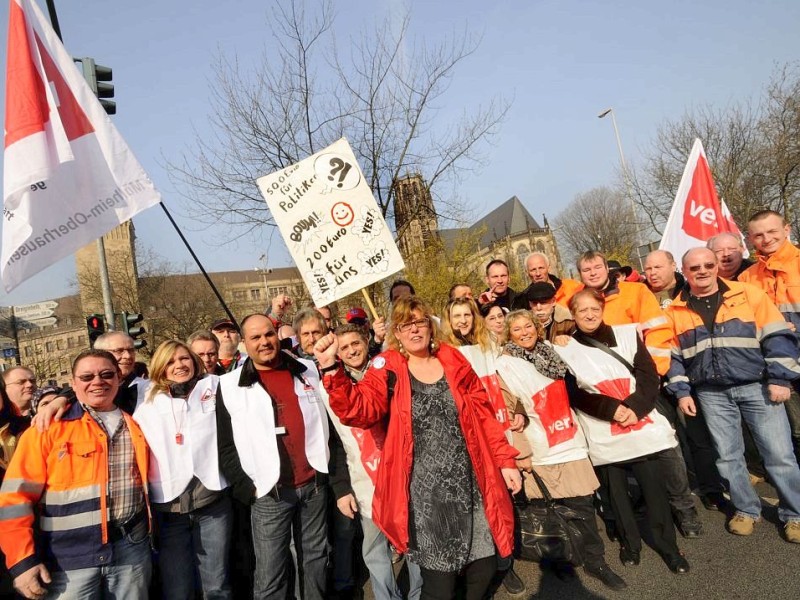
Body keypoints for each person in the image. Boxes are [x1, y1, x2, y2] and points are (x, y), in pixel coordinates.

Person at [315, 296, 521, 600]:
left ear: (430, 326)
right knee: (440, 581)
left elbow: (483, 414)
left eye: (419, 322)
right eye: (405, 324)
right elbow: (359, 411)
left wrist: (505, 461)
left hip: (472, 483)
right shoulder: (389, 368)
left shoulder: (452, 359)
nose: (414, 330)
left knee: (485, 565)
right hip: (426, 496)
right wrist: (331, 368)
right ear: (396, 333)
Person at [666, 248, 800, 543]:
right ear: (685, 272)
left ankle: (795, 514)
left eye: (708, 265)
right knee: (727, 457)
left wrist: (780, 378)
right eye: (694, 267)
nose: (702, 271)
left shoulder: (748, 294)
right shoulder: (675, 310)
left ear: (716, 267)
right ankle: (745, 509)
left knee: (779, 454)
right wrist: (681, 392)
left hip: (757, 386)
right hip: (711, 393)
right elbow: (672, 357)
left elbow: (778, 335)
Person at [555, 290, 690, 574]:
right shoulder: (564, 348)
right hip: (604, 429)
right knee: (617, 495)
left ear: (602, 309)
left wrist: (633, 407)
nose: (589, 315)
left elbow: (648, 376)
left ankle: (669, 547)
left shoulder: (628, 335)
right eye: (582, 311)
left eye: (594, 309)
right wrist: (611, 410)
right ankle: (631, 544)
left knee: (654, 491)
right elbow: (574, 393)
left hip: (638, 424)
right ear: (574, 315)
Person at [0, 349, 151, 599]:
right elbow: (14, 501)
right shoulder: (46, 429)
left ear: (119, 379)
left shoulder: (137, 423)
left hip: (130, 551)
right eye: (86, 377)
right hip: (67, 558)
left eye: (106, 374)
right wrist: (22, 560)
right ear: (73, 384)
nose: (97, 382)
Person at [571, 251, 701, 537]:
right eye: (585, 269)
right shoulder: (579, 301)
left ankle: (683, 507)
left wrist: (647, 384)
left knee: (667, 448)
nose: (592, 273)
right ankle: (641, 504)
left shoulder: (635, 292)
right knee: (619, 455)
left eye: (596, 267)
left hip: (644, 385)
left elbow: (657, 332)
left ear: (607, 268)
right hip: (607, 396)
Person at [497, 310, 626, 591]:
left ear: (536, 327)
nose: (524, 332)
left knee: (583, 505)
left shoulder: (553, 353)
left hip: (569, 440)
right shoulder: (504, 365)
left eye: (528, 326)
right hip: (539, 445)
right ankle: (560, 562)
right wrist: (522, 453)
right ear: (509, 334)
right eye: (516, 329)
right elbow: (508, 409)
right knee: (547, 510)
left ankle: (596, 560)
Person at [216, 314, 330, 599]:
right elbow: (225, 445)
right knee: (271, 573)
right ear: (244, 343)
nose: (264, 342)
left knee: (315, 562)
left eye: (268, 334)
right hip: (269, 492)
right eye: (255, 337)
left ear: (277, 335)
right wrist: (248, 488)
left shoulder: (307, 370)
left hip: (312, 484)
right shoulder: (229, 385)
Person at [323, 324, 423, 600]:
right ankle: (386, 596)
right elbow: (333, 444)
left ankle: (419, 594)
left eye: (356, 343)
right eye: (344, 348)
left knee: (412, 539)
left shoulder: (390, 372)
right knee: (375, 547)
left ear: (367, 341)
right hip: (364, 480)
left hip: (403, 473)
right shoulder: (328, 388)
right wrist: (341, 488)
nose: (352, 350)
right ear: (337, 354)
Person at [133, 340, 232, 599]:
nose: (179, 365)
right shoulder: (144, 397)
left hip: (212, 501)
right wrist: (58, 401)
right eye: (171, 361)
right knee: (178, 587)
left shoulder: (214, 386)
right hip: (169, 508)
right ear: (160, 367)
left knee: (217, 583)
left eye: (184, 358)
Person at [441, 297, 526, 596]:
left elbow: (509, 380)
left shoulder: (490, 346)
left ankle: (506, 564)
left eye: (467, 314)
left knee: (503, 503)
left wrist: (518, 409)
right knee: (476, 508)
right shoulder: (444, 354)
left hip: (498, 432)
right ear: (448, 321)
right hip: (468, 440)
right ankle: (474, 567)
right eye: (456, 315)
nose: (462, 320)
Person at [643, 250, 727, 512]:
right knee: (671, 437)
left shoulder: (689, 289)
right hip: (656, 375)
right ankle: (679, 489)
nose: (653, 273)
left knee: (698, 434)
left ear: (673, 265)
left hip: (690, 371)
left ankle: (712, 487)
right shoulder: (641, 294)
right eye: (648, 269)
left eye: (658, 267)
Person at [739, 209, 800, 464]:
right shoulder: (746, 278)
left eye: (772, 231)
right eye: (759, 235)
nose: (766, 239)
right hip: (777, 367)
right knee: (795, 433)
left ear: (787, 229)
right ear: (750, 239)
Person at [516, 252, 582, 309]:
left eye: (541, 268)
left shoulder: (572, 286)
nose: (538, 273)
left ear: (548, 268)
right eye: (533, 270)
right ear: (526, 272)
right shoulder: (523, 299)